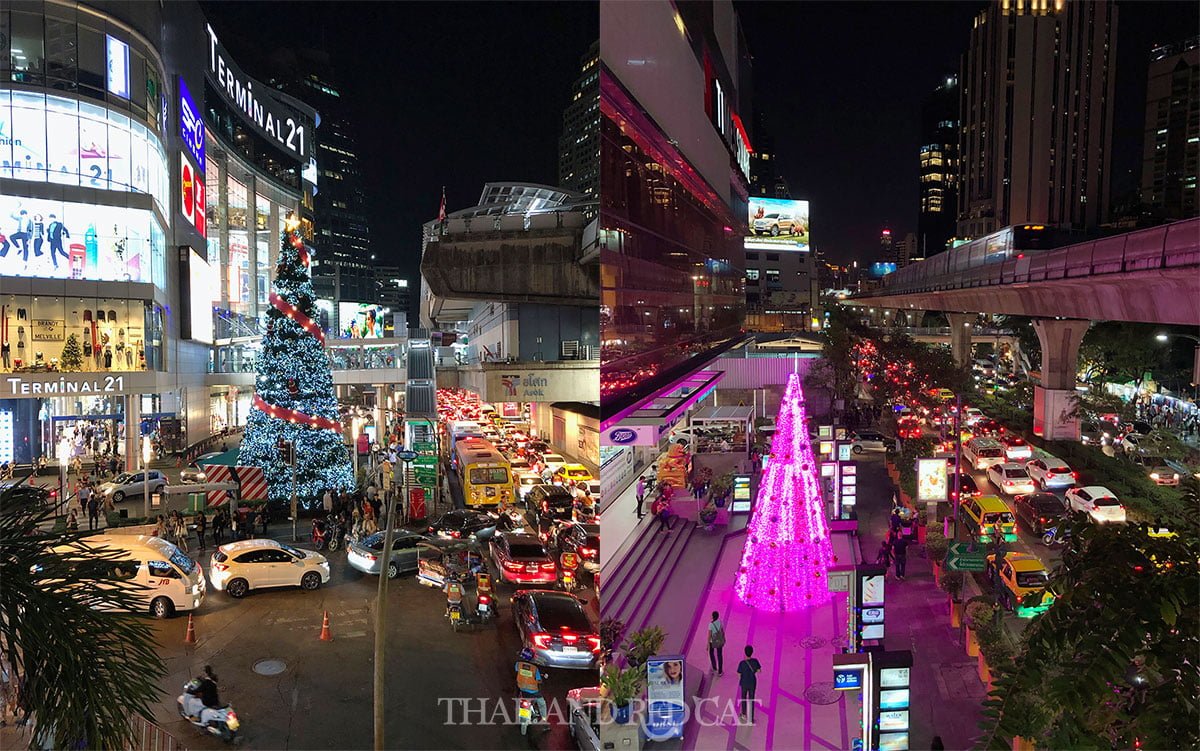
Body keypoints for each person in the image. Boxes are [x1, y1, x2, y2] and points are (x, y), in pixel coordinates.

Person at [514, 648, 547, 721]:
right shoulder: (534, 668)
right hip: (533, 691)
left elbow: (517, 671)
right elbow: (539, 680)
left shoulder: (518, 664)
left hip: (522, 688)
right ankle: (544, 720)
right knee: (542, 703)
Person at [736, 645, 761, 724]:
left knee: (743, 697)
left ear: (745, 653)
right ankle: (751, 718)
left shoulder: (742, 663)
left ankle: (744, 714)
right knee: (751, 699)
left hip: (744, 683)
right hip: (752, 683)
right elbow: (759, 670)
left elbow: (739, 674)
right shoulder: (755, 661)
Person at [707, 611, 726, 675]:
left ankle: (714, 668)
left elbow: (709, 635)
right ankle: (720, 671)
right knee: (719, 655)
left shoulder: (711, 624)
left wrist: (707, 644)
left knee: (711, 654)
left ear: (712, 616)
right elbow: (722, 631)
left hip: (712, 641)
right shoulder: (720, 622)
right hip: (719, 640)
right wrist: (723, 638)